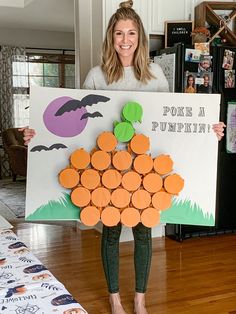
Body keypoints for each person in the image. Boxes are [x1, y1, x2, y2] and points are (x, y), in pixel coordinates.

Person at [21, 1, 226, 313]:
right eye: (119, 33)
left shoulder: (155, 75)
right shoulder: (96, 76)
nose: (125, 39)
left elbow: (171, 125)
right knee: (111, 234)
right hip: (107, 173)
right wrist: (37, 135)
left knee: (144, 232)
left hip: (145, 172)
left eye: (131, 32)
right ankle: (115, 299)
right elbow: (76, 127)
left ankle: (140, 300)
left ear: (140, 37)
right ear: (111, 37)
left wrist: (207, 130)